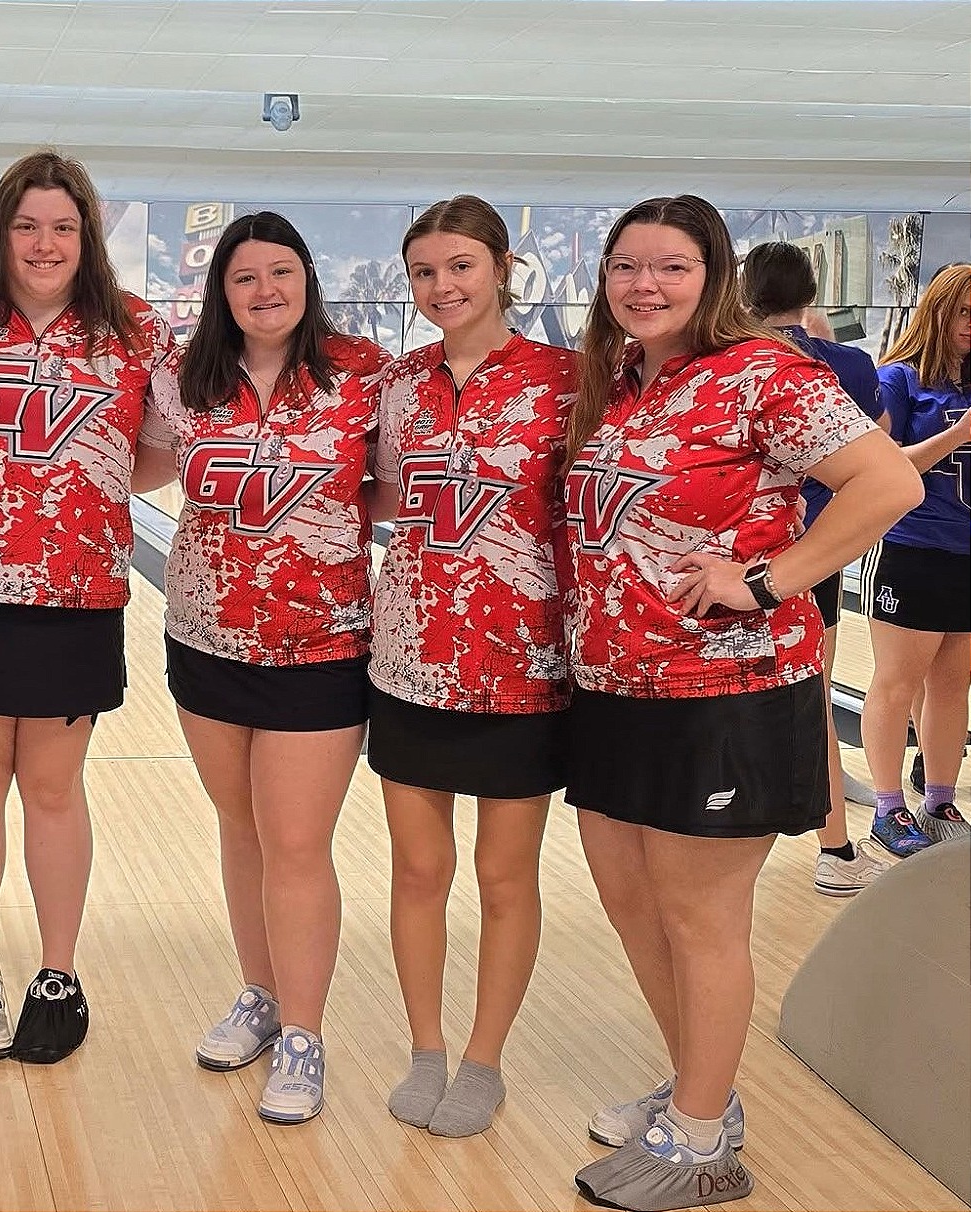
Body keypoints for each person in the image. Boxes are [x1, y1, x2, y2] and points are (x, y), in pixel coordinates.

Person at [561, 195, 920, 1211]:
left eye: (669, 266)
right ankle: (694, 1092)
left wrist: (766, 580)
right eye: (626, 266)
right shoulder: (623, 384)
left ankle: (703, 1142)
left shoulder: (760, 375)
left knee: (699, 918)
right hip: (613, 687)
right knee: (633, 907)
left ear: (711, 277)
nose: (643, 285)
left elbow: (884, 483)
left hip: (724, 687)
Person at [0, 150, 174, 1065]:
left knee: (54, 790)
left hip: (76, 592)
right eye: (26, 225)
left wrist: (81, 497)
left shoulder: (134, 332)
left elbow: (163, 449)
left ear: (86, 236)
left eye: (63, 226)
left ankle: (57, 972)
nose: (44, 243)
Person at [134, 211, 387, 1124]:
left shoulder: (363, 373)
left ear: (307, 280)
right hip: (204, 637)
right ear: (222, 292)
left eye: (282, 272)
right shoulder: (187, 380)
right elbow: (144, 470)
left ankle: (306, 1034)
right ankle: (259, 995)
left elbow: (394, 481)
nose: (265, 290)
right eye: (245, 278)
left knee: (293, 843)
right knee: (239, 830)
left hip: (320, 646)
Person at [367, 196, 576, 1136]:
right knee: (417, 869)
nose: (441, 287)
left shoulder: (565, 380)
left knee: (503, 875)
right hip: (407, 659)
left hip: (521, 665)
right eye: (423, 272)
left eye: (459, 266)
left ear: (501, 266)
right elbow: (375, 491)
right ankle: (424, 1047)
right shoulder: (397, 383)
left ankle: (483, 1059)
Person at [739, 240, 888, 895]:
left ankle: (733, 818)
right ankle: (834, 849)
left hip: (736, 552)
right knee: (809, 696)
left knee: (730, 695)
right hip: (813, 552)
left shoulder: (728, 363)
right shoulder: (847, 365)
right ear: (808, 295)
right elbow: (877, 446)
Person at [858, 263, 971, 859]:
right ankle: (887, 806)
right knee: (897, 683)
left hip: (966, 554)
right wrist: (959, 434)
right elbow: (886, 464)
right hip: (912, 548)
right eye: (965, 313)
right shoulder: (898, 380)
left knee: (953, 687)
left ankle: (940, 800)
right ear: (940, 312)